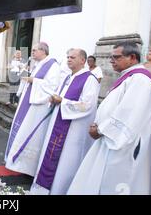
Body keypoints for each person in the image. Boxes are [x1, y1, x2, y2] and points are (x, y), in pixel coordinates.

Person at [68, 41, 151, 195]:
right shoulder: (130, 77)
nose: (111, 60)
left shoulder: (141, 81)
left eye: (116, 57)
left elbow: (130, 115)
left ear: (132, 57)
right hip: (110, 139)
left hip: (122, 146)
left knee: (112, 184)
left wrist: (100, 129)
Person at [30, 49, 100, 195]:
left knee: (66, 162)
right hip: (57, 123)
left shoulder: (90, 79)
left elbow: (88, 105)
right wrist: (54, 100)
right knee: (51, 155)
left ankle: (60, 190)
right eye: (68, 57)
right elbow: (60, 97)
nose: (69, 59)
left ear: (83, 60)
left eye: (73, 57)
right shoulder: (68, 77)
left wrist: (62, 101)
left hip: (73, 130)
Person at [5, 42, 61, 176]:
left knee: (30, 133)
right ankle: (16, 162)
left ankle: (26, 166)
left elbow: (52, 86)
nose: (32, 53)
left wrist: (33, 81)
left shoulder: (52, 65)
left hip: (38, 107)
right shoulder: (39, 64)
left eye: (35, 50)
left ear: (43, 51)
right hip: (28, 103)